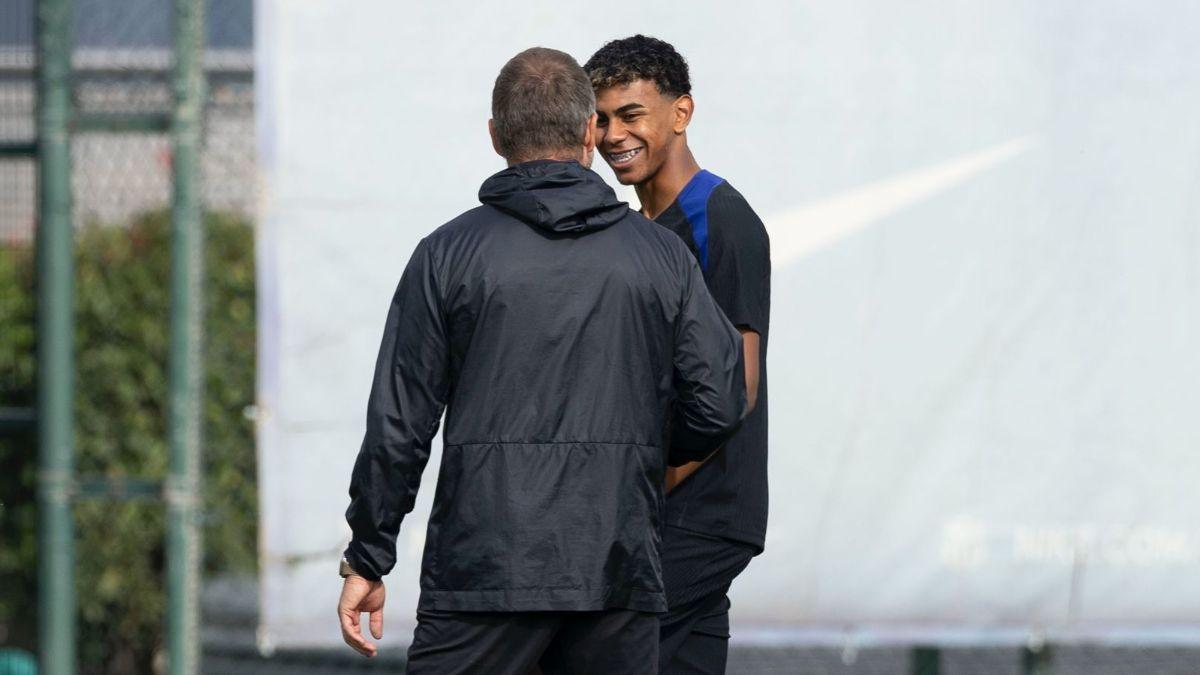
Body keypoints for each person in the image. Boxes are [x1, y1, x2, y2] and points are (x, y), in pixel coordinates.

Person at [335, 46, 747, 675]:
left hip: (483, 572)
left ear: (496, 137)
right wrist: (632, 457)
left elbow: (399, 426)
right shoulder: (659, 257)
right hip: (616, 570)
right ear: (588, 131)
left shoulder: (446, 255)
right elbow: (721, 400)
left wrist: (369, 553)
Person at [585, 35, 772, 675]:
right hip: (665, 515)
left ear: (680, 113)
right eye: (602, 118)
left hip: (698, 518)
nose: (613, 135)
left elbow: (733, 394)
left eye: (631, 115)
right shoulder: (635, 231)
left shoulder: (723, 221)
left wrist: (639, 488)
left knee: (594, 654)